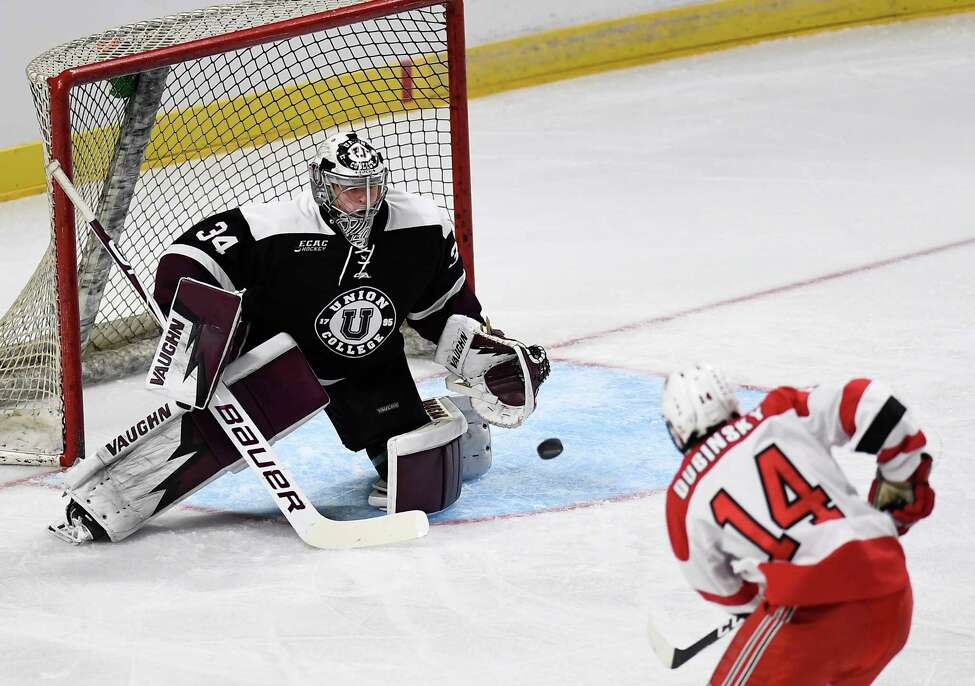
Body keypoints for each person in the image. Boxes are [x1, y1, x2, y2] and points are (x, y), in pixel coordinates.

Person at [49, 131, 549, 544]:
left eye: (373, 188)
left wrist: (485, 352)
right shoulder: (274, 227)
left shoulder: (422, 227)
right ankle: (97, 506)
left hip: (367, 367)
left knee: (421, 481)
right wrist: (199, 322)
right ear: (321, 185)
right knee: (190, 449)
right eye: (351, 190)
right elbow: (189, 259)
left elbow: (445, 309)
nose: (364, 203)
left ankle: (463, 423)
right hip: (277, 362)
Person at [660, 364, 935, 685]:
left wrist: (760, 601)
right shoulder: (780, 410)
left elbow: (719, 588)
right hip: (892, 597)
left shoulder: (684, 494)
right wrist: (900, 493)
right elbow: (874, 404)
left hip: (813, 618)